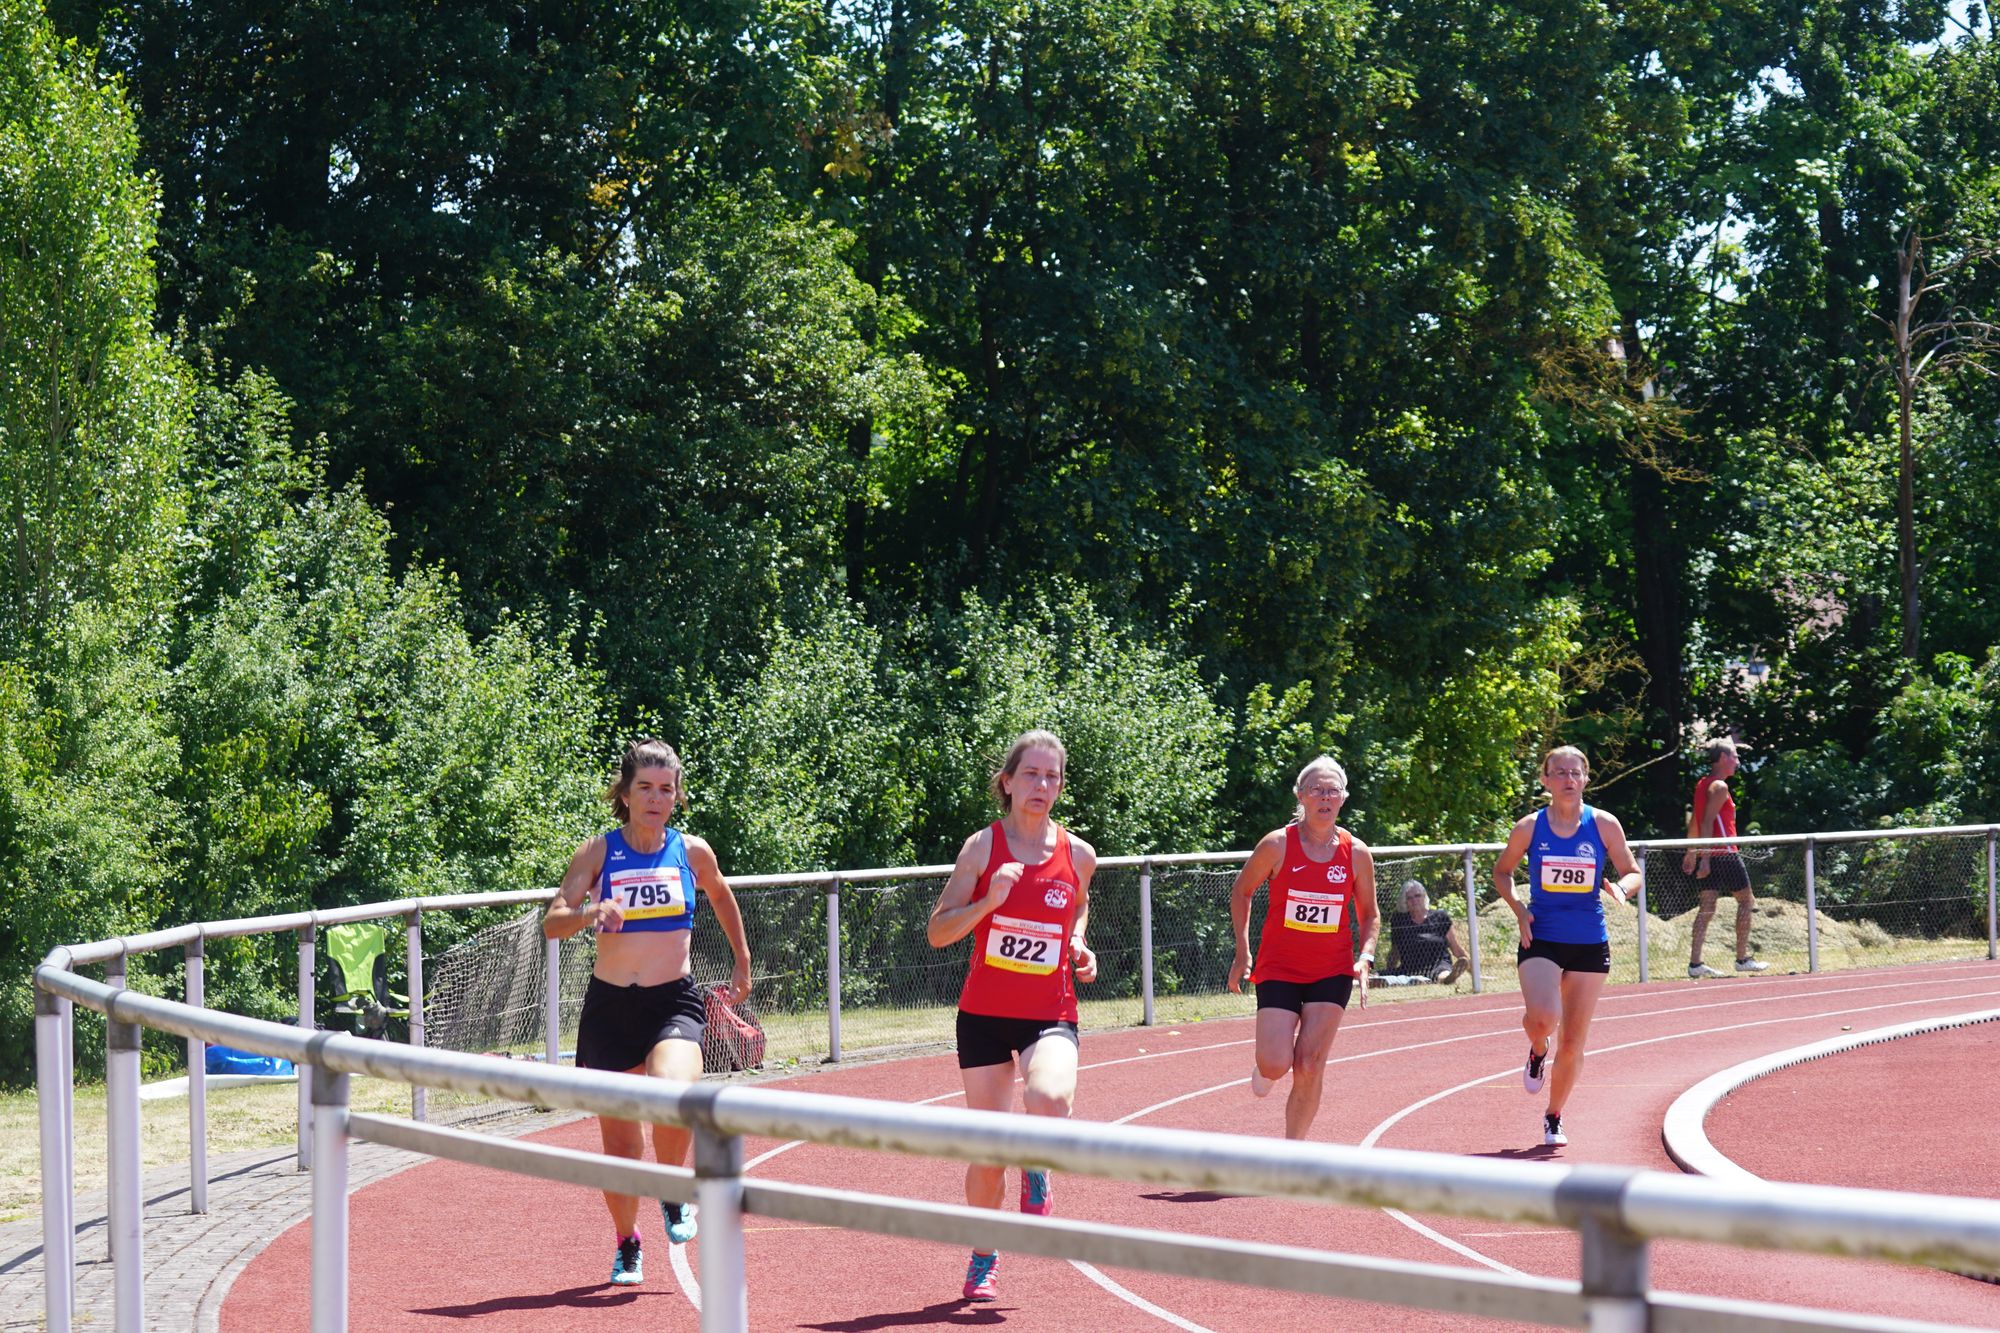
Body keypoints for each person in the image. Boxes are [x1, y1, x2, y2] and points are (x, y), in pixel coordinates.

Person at [543, 738, 753, 1287]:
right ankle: (627, 1242)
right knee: (620, 1149)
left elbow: (721, 896)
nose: (656, 799)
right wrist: (590, 912)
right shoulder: (598, 852)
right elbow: (553, 921)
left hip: (671, 1002)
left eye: (666, 789)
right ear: (626, 794)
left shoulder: (692, 852)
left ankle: (672, 1188)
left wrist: (742, 959)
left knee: (674, 1096)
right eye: (645, 788)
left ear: (677, 796)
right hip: (610, 1009)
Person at [926, 730, 1098, 1304]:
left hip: (1049, 1012)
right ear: (1007, 781)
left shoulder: (1078, 854)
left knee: (1048, 1099)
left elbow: (1078, 903)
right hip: (982, 1016)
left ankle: (1036, 1161)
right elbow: (938, 931)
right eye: (1031, 774)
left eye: (1052, 776)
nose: (1041, 785)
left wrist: (1078, 942)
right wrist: (988, 902)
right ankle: (984, 1255)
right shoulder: (982, 848)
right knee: (986, 1155)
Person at [1491, 745, 1640, 1148]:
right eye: (1559, 772)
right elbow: (1502, 872)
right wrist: (1519, 910)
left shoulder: (1604, 824)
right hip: (1542, 935)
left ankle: (1554, 1115)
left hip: (1589, 940)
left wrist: (1622, 889)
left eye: (1576, 773)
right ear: (1546, 780)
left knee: (1573, 1043)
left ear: (1586, 779)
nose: (1568, 779)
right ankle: (1538, 1048)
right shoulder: (1529, 827)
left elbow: (1632, 871)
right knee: (1543, 1018)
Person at [1226, 756, 1378, 1140]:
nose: (1325, 797)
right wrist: (1243, 951)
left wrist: (1366, 956)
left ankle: (1293, 1155)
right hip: (1280, 968)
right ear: (1301, 796)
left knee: (1310, 1064)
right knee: (1276, 1063)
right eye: (1316, 790)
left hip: (1332, 970)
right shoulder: (1277, 845)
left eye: (1332, 791)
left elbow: (1370, 915)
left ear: (1343, 798)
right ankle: (1267, 1069)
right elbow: (1242, 892)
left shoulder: (1356, 853)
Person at [1682, 737, 1769, 978]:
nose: (1737, 761)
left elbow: (1696, 820)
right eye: (1734, 756)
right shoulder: (1719, 786)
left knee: (1707, 906)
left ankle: (1695, 963)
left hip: (1710, 851)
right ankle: (1742, 958)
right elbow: (1706, 821)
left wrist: (1692, 851)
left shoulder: (1703, 784)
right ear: (1722, 758)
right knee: (1747, 901)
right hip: (1724, 853)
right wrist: (1704, 858)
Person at [1380, 880, 1470, 985]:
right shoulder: (1399, 921)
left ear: (1424, 896)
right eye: (1409, 898)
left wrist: (1474, 972)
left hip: (1438, 965)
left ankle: (1447, 979)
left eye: (1417, 896)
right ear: (1404, 902)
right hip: (1410, 968)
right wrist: (1389, 971)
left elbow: (1456, 949)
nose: (1414, 900)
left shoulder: (1440, 917)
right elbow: (1395, 951)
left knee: (1442, 973)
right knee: (1378, 976)